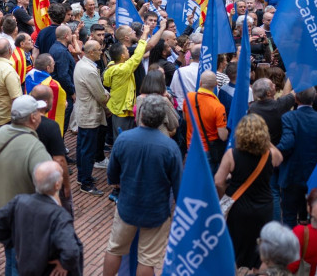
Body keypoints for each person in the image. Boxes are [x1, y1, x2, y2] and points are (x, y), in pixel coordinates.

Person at [103, 95, 182, 276]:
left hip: (127, 206)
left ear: (141, 115)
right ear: (162, 118)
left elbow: (112, 175)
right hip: (156, 211)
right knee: (147, 259)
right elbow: (178, 186)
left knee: (114, 248)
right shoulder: (170, 147)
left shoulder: (123, 140)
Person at [0, 95, 52, 276]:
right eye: (38, 112)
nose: (41, 115)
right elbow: (48, 187)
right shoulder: (34, 147)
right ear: (32, 118)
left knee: (11, 258)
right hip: (25, 219)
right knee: (22, 264)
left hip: (2, 210)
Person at [0, 161, 83, 276]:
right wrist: (64, 264)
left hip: (26, 268)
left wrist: (15, 243)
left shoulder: (20, 201)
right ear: (57, 185)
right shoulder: (59, 216)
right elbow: (71, 252)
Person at [215, 114, 283, 269]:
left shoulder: (232, 154)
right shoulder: (269, 154)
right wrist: (266, 142)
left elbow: (218, 181)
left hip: (239, 207)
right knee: (261, 251)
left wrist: (226, 191)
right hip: (263, 207)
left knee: (235, 248)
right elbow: (279, 159)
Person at [277, 87, 317, 228]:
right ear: (314, 98)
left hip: (292, 174)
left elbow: (287, 144)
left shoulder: (288, 117)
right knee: (312, 217)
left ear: (296, 98)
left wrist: (274, 152)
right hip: (314, 174)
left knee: (289, 216)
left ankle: (292, 248)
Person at [74, 39, 110, 196]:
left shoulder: (81, 64)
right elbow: (100, 94)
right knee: (88, 150)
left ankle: (82, 177)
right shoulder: (89, 70)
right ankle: (86, 183)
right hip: (89, 114)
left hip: (84, 111)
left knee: (82, 147)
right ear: (90, 52)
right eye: (98, 50)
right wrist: (108, 98)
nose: (101, 52)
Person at [183, 70, 228, 173]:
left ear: (200, 83)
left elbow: (185, 119)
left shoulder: (189, 97)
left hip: (191, 148)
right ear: (216, 85)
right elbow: (223, 136)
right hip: (208, 151)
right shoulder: (218, 107)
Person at [49, 25, 76, 124]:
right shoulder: (61, 52)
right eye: (70, 34)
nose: (72, 36)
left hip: (61, 90)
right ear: (66, 36)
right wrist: (72, 92)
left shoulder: (56, 47)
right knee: (62, 123)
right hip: (64, 92)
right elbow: (63, 75)